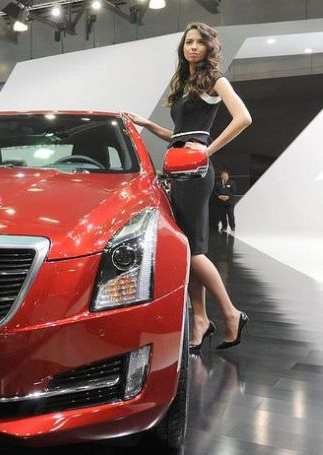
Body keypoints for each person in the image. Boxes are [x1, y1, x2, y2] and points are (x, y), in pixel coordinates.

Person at [123, 22, 251, 351]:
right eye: (188, 42)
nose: (192, 47)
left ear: (209, 47)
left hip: (196, 171)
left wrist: (207, 150)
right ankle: (201, 319)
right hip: (177, 168)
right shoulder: (183, 84)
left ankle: (231, 313)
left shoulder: (214, 79)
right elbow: (179, 134)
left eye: (199, 42)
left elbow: (243, 117)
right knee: (187, 249)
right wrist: (149, 124)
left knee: (194, 250)